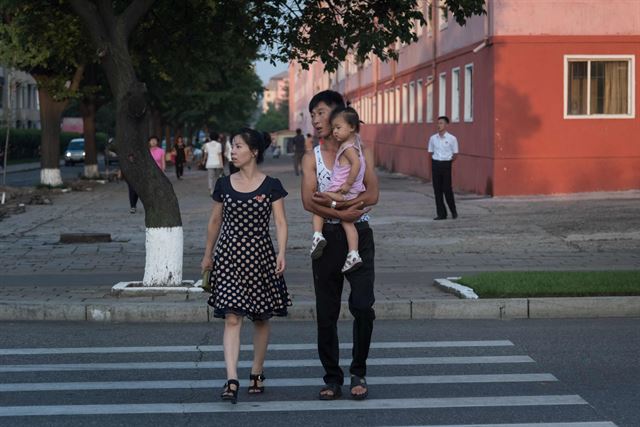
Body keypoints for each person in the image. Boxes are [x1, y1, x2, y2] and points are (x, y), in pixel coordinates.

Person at [201, 128, 291, 405]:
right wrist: (208, 254)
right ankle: (232, 378)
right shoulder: (224, 184)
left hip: (260, 258)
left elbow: (280, 222)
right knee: (231, 316)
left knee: (261, 317)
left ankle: (257, 371)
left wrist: (282, 252)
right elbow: (215, 222)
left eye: (238, 146)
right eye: (232, 147)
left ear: (253, 152)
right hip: (228, 257)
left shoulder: (271, 185)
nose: (233, 151)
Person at [301, 90, 379, 401]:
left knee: (362, 306)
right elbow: (309, 201)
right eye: (312, 115)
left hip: (358, 236)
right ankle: (332, 377)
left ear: (338, 115)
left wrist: (332, 202)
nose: (316, 120)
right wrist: (341, 209)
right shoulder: (312, 158)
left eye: (320, 112)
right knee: (326, 312)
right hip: (327, 241)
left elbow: (372, 196)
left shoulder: (362, 152)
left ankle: (358, 370)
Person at [310, 106, 366, 273]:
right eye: (333, 128)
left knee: (317, 201)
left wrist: (348, 184)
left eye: (338, 128)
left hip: (343, 191)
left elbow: (356, 164)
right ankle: (354, 254)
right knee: (348, 223)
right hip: (351, 193)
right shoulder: (355, 143)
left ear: (352, 127)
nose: (335, 131)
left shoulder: (348, 147)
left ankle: (317, 235)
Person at [428, 116, 458, 220]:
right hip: (436, 164)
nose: (439, 125)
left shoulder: (452, 139)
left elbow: (455, 154)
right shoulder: (433, 138)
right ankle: (441, 214)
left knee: (447, 189)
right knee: (437, 190)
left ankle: (453, 211)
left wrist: (447, 162)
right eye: (438, 123)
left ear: (446, 125)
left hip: (446, 165)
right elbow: (430, 152)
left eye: (441, 123)